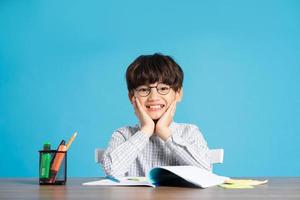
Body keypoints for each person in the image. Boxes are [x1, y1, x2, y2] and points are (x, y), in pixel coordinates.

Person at [101, 53, 211, 177]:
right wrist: (146, 130)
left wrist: (164, 132)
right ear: (132, 97)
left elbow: (206, 171)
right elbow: (111, 170)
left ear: (178, 93)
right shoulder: (122, 135)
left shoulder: (190, 132)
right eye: (143, 89)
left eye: (163, 88)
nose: (153, 97)